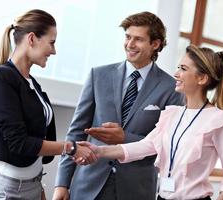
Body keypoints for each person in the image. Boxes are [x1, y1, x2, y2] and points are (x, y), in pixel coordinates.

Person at [78, 44, 223, 200]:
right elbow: (145, 146)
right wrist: (98, 151)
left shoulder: (219, 121)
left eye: (183, 69)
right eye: (179, 67)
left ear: (201, 79)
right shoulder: (172, 114)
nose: (176, 74)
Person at [53, 11, 184, 200]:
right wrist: (62, 184)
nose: (130, 44)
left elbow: (166, 148)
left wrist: (125, 138)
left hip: (136, 190)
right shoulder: (98, 75)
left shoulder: (171, 88)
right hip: (88, 186)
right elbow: (76, 132)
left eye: (138, 39)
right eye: (128, 37)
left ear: (155, 44)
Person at [0, 9, 95, 200]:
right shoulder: (1, 77)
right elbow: (19, 143)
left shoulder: (31, 83)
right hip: (5, 191)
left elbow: (35, 140)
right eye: (52, 42)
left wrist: (38, 187)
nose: (54, 51)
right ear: (32, 39)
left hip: (32, 185)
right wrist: (69, 147)